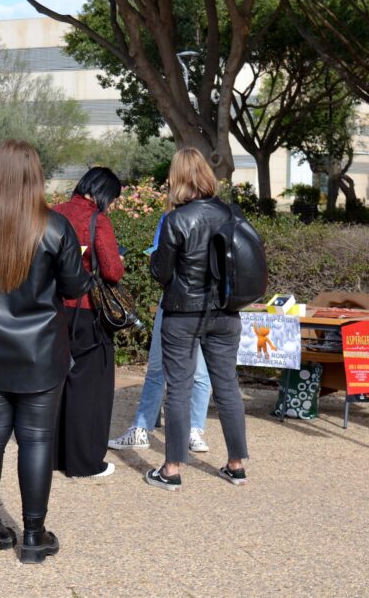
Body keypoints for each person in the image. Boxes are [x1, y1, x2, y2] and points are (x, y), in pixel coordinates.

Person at [0, 139, 90, 564]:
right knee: (36, 440)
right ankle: (33, 535)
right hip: (42, 353)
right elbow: (74, 287)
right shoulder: (56, 227)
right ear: (35, 176)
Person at [146, 148, 249, 492]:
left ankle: (171, 469)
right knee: (228, 386)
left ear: (178, 179)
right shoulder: (231, 215)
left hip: (183, 313)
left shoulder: (176, 219)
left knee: (179, 387)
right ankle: (236, 464)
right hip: (225, 311)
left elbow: (161, 273)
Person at [108, 216, 213, 453]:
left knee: (193, 370)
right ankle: (148, 428)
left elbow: (159, 263)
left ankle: (191, 429)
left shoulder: (180, 218)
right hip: (191, 299)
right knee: (166, 368)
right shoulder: (190, 217)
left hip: (187, 299)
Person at [52, 167, 124, 478]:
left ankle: (54, 455)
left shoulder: (53, 213)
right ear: (102, 192)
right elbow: (112, 271)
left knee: (58, 384)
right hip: (86, 309)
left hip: (52, 309)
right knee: (89, 387)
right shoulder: (97, 220)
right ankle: (84, 462)